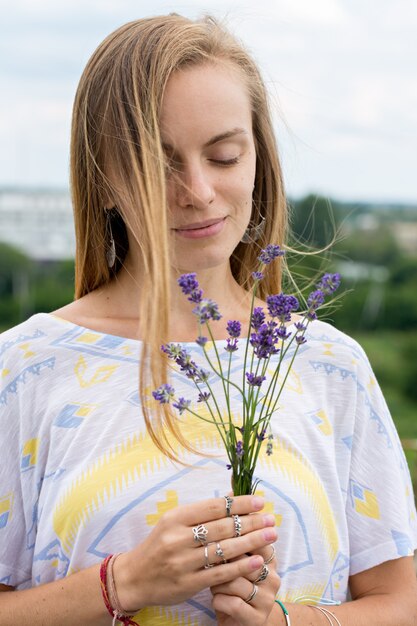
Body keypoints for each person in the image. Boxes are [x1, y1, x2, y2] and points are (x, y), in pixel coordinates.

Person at [0, 13, 416, 626]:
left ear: (258, 161)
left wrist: (284, 623)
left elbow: (401, 603)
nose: (197, 190)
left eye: (223, 156)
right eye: (160, 163)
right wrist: (121, 585)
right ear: (104, 179)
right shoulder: (25, 369)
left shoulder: (331, 366)